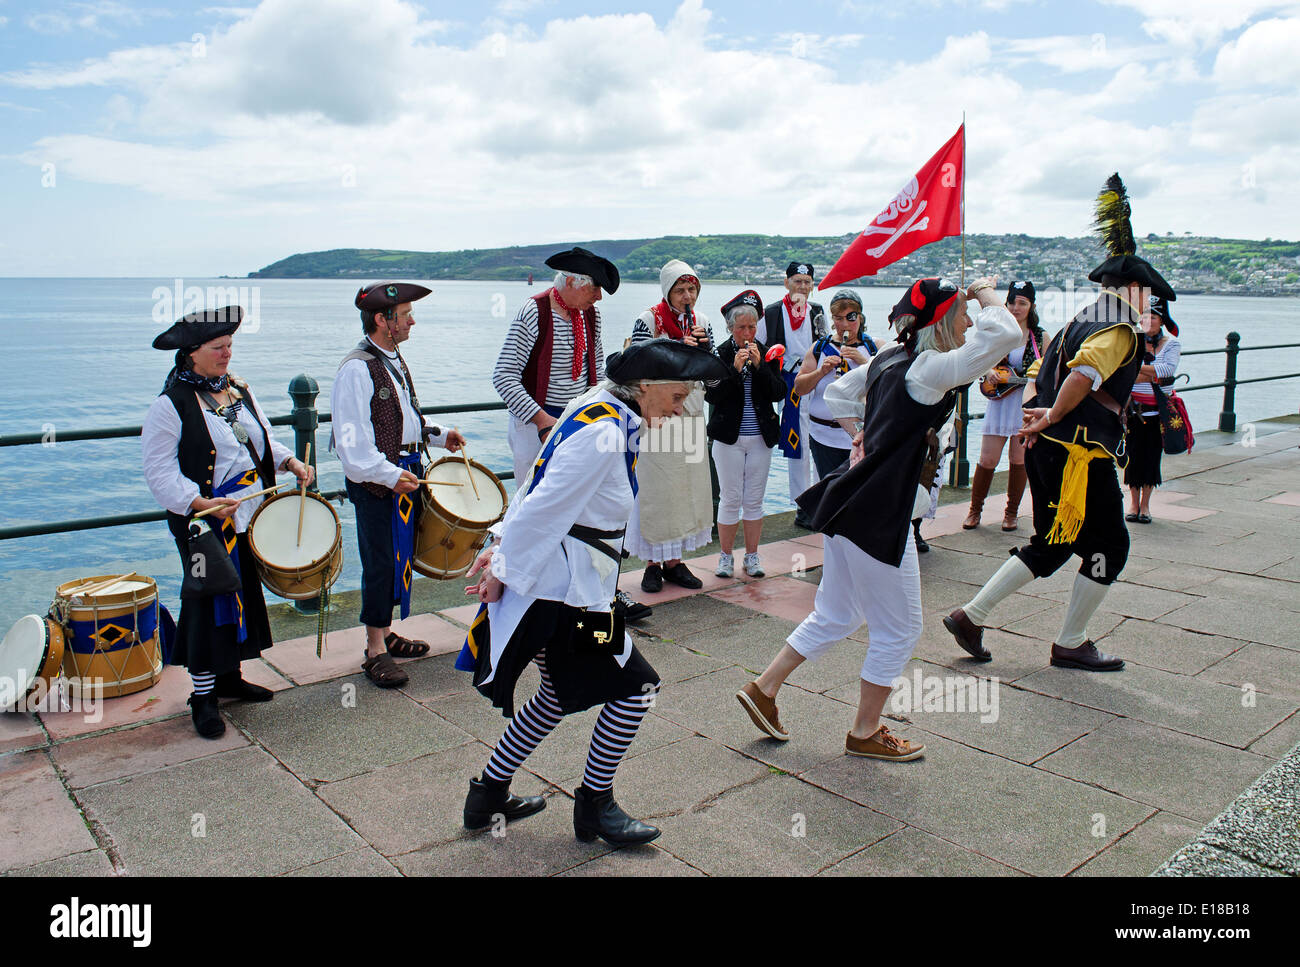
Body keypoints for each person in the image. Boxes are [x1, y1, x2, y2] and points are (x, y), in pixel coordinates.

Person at [736, 277, 1023, 760]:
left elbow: (839, 395)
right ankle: (865, 731)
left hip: (850, 502)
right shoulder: (931, 369)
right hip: (880, 512)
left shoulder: (892, 354)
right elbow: (1006, 335)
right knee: (902, 627)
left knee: (837, 612)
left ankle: (765, 689)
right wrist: (985, 292)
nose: (969, 321)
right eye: (960, 315)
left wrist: (862, 435)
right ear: (939, 322)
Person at [456, 339, 729, 845]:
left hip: (561, 587)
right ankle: (595, 807)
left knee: (555, 697)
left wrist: (499, 547)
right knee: (637, 689)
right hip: (567, 595)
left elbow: (534, 486)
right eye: (676, 395)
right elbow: (543, 506)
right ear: (645, 385)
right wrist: (503, 564)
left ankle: (488, 795)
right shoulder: (604, 432)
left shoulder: (596, 406)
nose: (680, 407)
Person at [943, 253, 1177, 672]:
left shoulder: (1078, 320)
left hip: (1049, 449)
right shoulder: (1119, 329)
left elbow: (1041, 374)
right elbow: (1083, 374)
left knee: (1053, 544)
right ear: (1133, 292)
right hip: (1079, 457)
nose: (1150, 307)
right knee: (1109, 547)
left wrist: (1040, 417)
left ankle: (972, 616)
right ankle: (1069, 642)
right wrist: (1051, 415)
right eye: (1149, 296)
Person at [142, 307, 314, 738]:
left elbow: (261, 441)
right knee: (207, 600)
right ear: (191, 353)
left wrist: (291, 461)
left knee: (241, 595)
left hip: (249, 514)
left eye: (230, 346)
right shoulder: (170, 406)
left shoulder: (236, 390)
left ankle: (229, 678)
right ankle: (202, 696)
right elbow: (159, 473)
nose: (227, 355)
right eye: (218, 348)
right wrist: (200, 501)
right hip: (203, 523)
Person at [331, 282, 466, 689]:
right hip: (378, 482)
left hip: (400, 475)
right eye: (404, 314)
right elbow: (353, 448)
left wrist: (440, 435)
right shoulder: (357, 368)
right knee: (379, 562)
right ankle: (374, 651)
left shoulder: (390, 358)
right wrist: (391, 476)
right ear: (381, 320)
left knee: (398, 557)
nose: (411, 320)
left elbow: (403, 418)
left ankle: (385, 632)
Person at [627, 260, 715, 596]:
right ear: (667, 291)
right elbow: (636, 365)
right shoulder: (648, 320)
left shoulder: (703, 322)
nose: (687, 295)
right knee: (657, 488)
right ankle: (651, 563)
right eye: (680, 289)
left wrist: (705, 352)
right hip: (658, 416)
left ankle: (675, 560)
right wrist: (678, 351)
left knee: (685, 488)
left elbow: (714, 376)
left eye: (692, 289)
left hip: (690, 413)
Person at [706, 290, 787, 579]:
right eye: (741, 327)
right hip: (728, 439)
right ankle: (725, 557)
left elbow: (779, 392)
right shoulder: (719, 355)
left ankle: (752, 557)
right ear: (730, 328)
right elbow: (712, 396)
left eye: (752, 327)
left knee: (754, 499)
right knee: (730, 498)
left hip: (760, 438)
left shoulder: (768, 352)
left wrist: (760, 366)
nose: (747, 333)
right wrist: (734, 369)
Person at [964, 280, 1046, 531]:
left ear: (1031, 306)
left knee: (1018, 459)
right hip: (999, 402)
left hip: (1024, 405)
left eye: (1022, 303)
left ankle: (1011, 513)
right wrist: (989, 370)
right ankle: (974, 510)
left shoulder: (1040, 338)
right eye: (1011, 302)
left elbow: (1048, 371)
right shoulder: (997, 333)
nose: (1015, 308)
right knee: (987, 458)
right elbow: (978, 356)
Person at [758, 262, 827, 529]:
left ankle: (821, 499)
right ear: (786, 283)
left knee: (820, 436)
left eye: (807, 282)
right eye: (797, 281)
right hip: (789, 381)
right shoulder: (773, 313)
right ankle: (802, 505)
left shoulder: (816, 312)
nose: (802, 287)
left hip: (815, 378)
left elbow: (825, 343)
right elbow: (761, 348)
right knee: (799, 444)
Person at [792, 288, 878, 479]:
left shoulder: (873, 347)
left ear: (861, 318)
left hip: (861, 436)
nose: (845, 325)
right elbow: (799, 388)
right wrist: (821, 371)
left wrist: (865, 363)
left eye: (851, 317)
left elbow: (887, 385)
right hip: (823, 435)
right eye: (838, 319)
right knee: (828, 490)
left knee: (857, 491)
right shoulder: (820, 348)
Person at [1124, 295, 1181, 523]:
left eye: (1153, 316)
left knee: (1151, 457)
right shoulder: (1133, 341)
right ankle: (1133, 503)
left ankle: (1145, 505)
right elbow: (1124, 370)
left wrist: (1138, 370)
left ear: (1161, 320)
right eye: (1145, 316)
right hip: (1133, 410)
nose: (1148, 320)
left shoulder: (1172, 344)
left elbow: (1167, 369)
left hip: (1158, 412)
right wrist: (1150, 372)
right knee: (1133, 456)